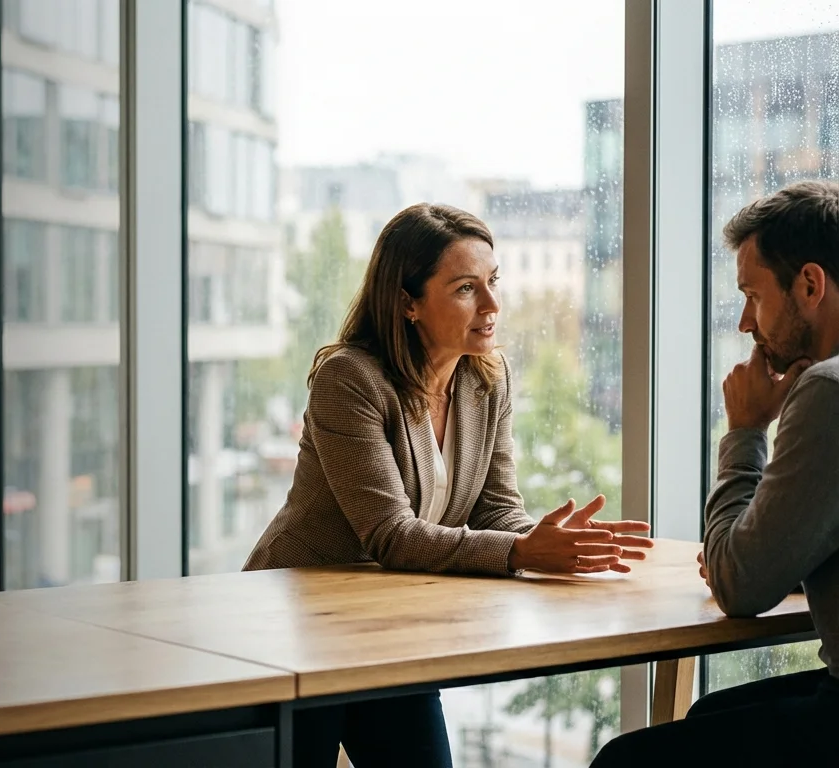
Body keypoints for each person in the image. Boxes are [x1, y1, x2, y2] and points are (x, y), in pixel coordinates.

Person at [243, 202, 653, 768]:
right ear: (407, 302)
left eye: (493, 282)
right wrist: (520, 551)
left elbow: (497, 511)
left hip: (389, 629)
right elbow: (390, 533)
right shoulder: (351, 379)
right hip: (296, 624)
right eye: (466, 288)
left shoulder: (487, 378)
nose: (492, 305)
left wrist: (553, 543)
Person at [592, 181, 839, 766]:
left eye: (753, 296)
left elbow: (738, 585)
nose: (744, 323)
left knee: (625, 762)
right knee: (710, 717)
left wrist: (746, 429)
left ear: (809, 285)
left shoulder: (827, 392)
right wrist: (767, 552)